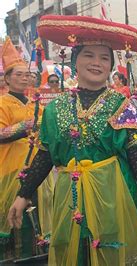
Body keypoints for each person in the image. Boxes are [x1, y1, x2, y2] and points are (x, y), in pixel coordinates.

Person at [7, 15, 137, 265]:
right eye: (88, 55)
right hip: (69, 202)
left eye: (104, 58)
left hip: (114, 199)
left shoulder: (123, 105)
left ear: (111, 66)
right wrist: (23, 194)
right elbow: (46, 156)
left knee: (113, 254)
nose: (96, 63)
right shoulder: (55, 109)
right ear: (75, 60)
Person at [0, 37, 53, 263]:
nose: (24, 78)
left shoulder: (36, 104)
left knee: (40, 215)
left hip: (39, 168)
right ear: (7, 79)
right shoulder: (2, 103)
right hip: (12, 169)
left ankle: (38, 255)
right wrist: (28, 125)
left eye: (26, 74)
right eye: (18, 74)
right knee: (14, 216)